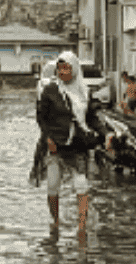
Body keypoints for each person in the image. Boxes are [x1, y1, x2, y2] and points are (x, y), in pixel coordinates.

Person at [37, 51, 93, 230]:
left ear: (75, 70)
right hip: (55, 145)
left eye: (67, 68)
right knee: (53, 186)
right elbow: (41, 117)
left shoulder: (84, 92)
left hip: (77, 145)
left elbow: (92, 118)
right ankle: (55, 222)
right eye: (60, 68)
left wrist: (105, 134)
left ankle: (82, 227)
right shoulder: (50, 91)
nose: (62, 72)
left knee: (81, 184)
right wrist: (48, 138)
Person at [28, 60, 59, 189]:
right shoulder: (47, 89)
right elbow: (41, 116)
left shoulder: (77, 90)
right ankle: (37, 175)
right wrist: (48, 135)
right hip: (51, 136)